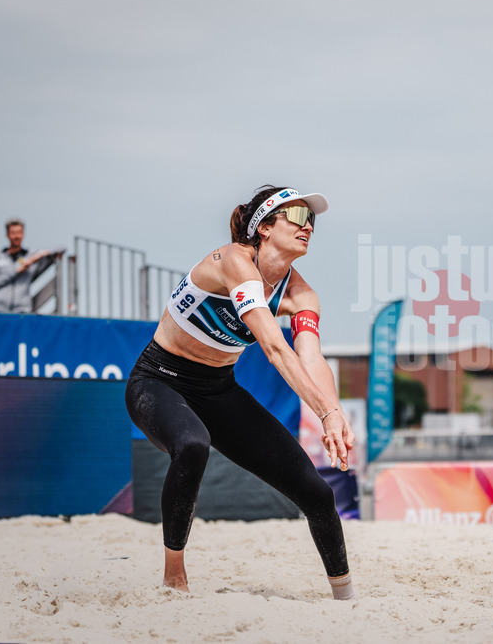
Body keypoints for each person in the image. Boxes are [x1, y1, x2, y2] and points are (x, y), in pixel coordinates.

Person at [124, 185, 356, 599]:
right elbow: (273, 347)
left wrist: (334, 411)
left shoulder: (301, 295)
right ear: (264, 227)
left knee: (318, 493)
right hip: (158, 380)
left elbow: (311, 358)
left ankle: (346, 597)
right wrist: (324, 412)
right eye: (299, 218)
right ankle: (174, 574)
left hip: (217, 390)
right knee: (193, 444)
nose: (309, 228)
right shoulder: (234, 259)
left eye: (313, 222)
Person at [0, 218, 63, 313]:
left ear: (23, 234)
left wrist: (36, 257)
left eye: (19, 232)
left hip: (21, 309)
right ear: (7, 235)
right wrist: (17, 270)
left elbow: (61, 248)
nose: (16, 236)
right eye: (13, 233)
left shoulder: (30, 255)